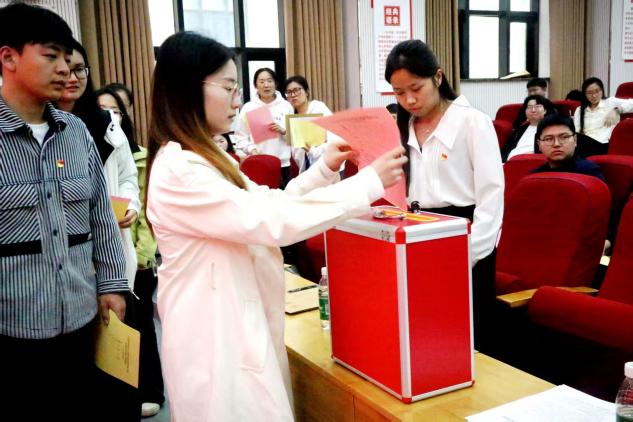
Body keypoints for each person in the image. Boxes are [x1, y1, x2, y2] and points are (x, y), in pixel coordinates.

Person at [145, 31, 406, 421]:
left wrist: (324, 168)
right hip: (215, 335)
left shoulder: (207, 156)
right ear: (188, 88)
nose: (237, 100)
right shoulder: (180, 170)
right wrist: (368, 183)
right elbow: (270, 221)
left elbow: (269, 202)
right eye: (228, 87)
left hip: (235, 320)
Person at [0, 3, 128, 419]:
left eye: (68, 58)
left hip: (81, 320)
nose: (64, 70)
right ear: (8, 58)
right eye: (50, 56)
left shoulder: (75, 132)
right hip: (12, 330)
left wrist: (112, 285)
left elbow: (101, 217)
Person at [385, 39, 504, 353]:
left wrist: (468, 253)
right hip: (419, 232)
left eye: (416, 88)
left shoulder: (472, 122)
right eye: (399, 93)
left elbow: (492, 196)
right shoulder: (404, 127)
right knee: (427, 334)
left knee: (468, 337)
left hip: (464, 235)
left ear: (437, 77)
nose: (409, 100)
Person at [98, 84, 166, 417]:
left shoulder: (139, 155)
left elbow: (147, 210)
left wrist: (142, 255)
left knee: (142, 330)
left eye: (116, 110)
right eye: (103, 110)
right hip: (111, 259)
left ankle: (151, 390)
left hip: (138, 256)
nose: (110, 116)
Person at [57, 40, 140, 291]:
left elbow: (127, 176)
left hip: (110, 244)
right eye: (66, 69)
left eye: (79, 69)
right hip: (64, 254)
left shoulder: (108, 124)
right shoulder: (42, 126)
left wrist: (130, 204)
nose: (73, 78)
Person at [234, 67, 294, 185]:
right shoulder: (248, 108)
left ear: (275, 84)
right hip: (258, 162)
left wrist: (283, 131)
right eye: (261, 82)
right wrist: (252, 150)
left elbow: (295, 138)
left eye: (269, 81)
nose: (266, 85)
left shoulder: (286, 106)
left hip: (283, 164)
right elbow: (240, 137)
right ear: (255, 85)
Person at [284, 75, 336, 171]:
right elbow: (295, 151)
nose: (293, 95)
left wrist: (313, 150)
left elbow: (333, 136)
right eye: (289, 92)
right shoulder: (291, 118)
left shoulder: (318, 108)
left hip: (328, 164)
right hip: (307, 168)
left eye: (297, 90)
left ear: (307, 92)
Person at [530, 114, 605, 181]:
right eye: (549, 139)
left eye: (564, 137)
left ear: (575, 140)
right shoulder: (535, 177)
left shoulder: (590, 174)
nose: (556, 144)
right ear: (539, 144)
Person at [574, 76, 633, 145]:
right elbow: (576, 132)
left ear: (602, 90)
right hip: (584, 144)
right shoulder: (579, 110)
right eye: (589, 93)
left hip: (603, 144)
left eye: (597, 91)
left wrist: (617, 110)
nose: (594, 96)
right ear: (584, 94)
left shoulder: (611, 102)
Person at [502, 95, 556, 162]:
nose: (533, 110)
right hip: (508, 163)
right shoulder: (520, 129)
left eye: (537, 106)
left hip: (532, 163)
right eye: (529, 107)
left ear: (545, 110)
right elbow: (506, 150)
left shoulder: (551, 129)